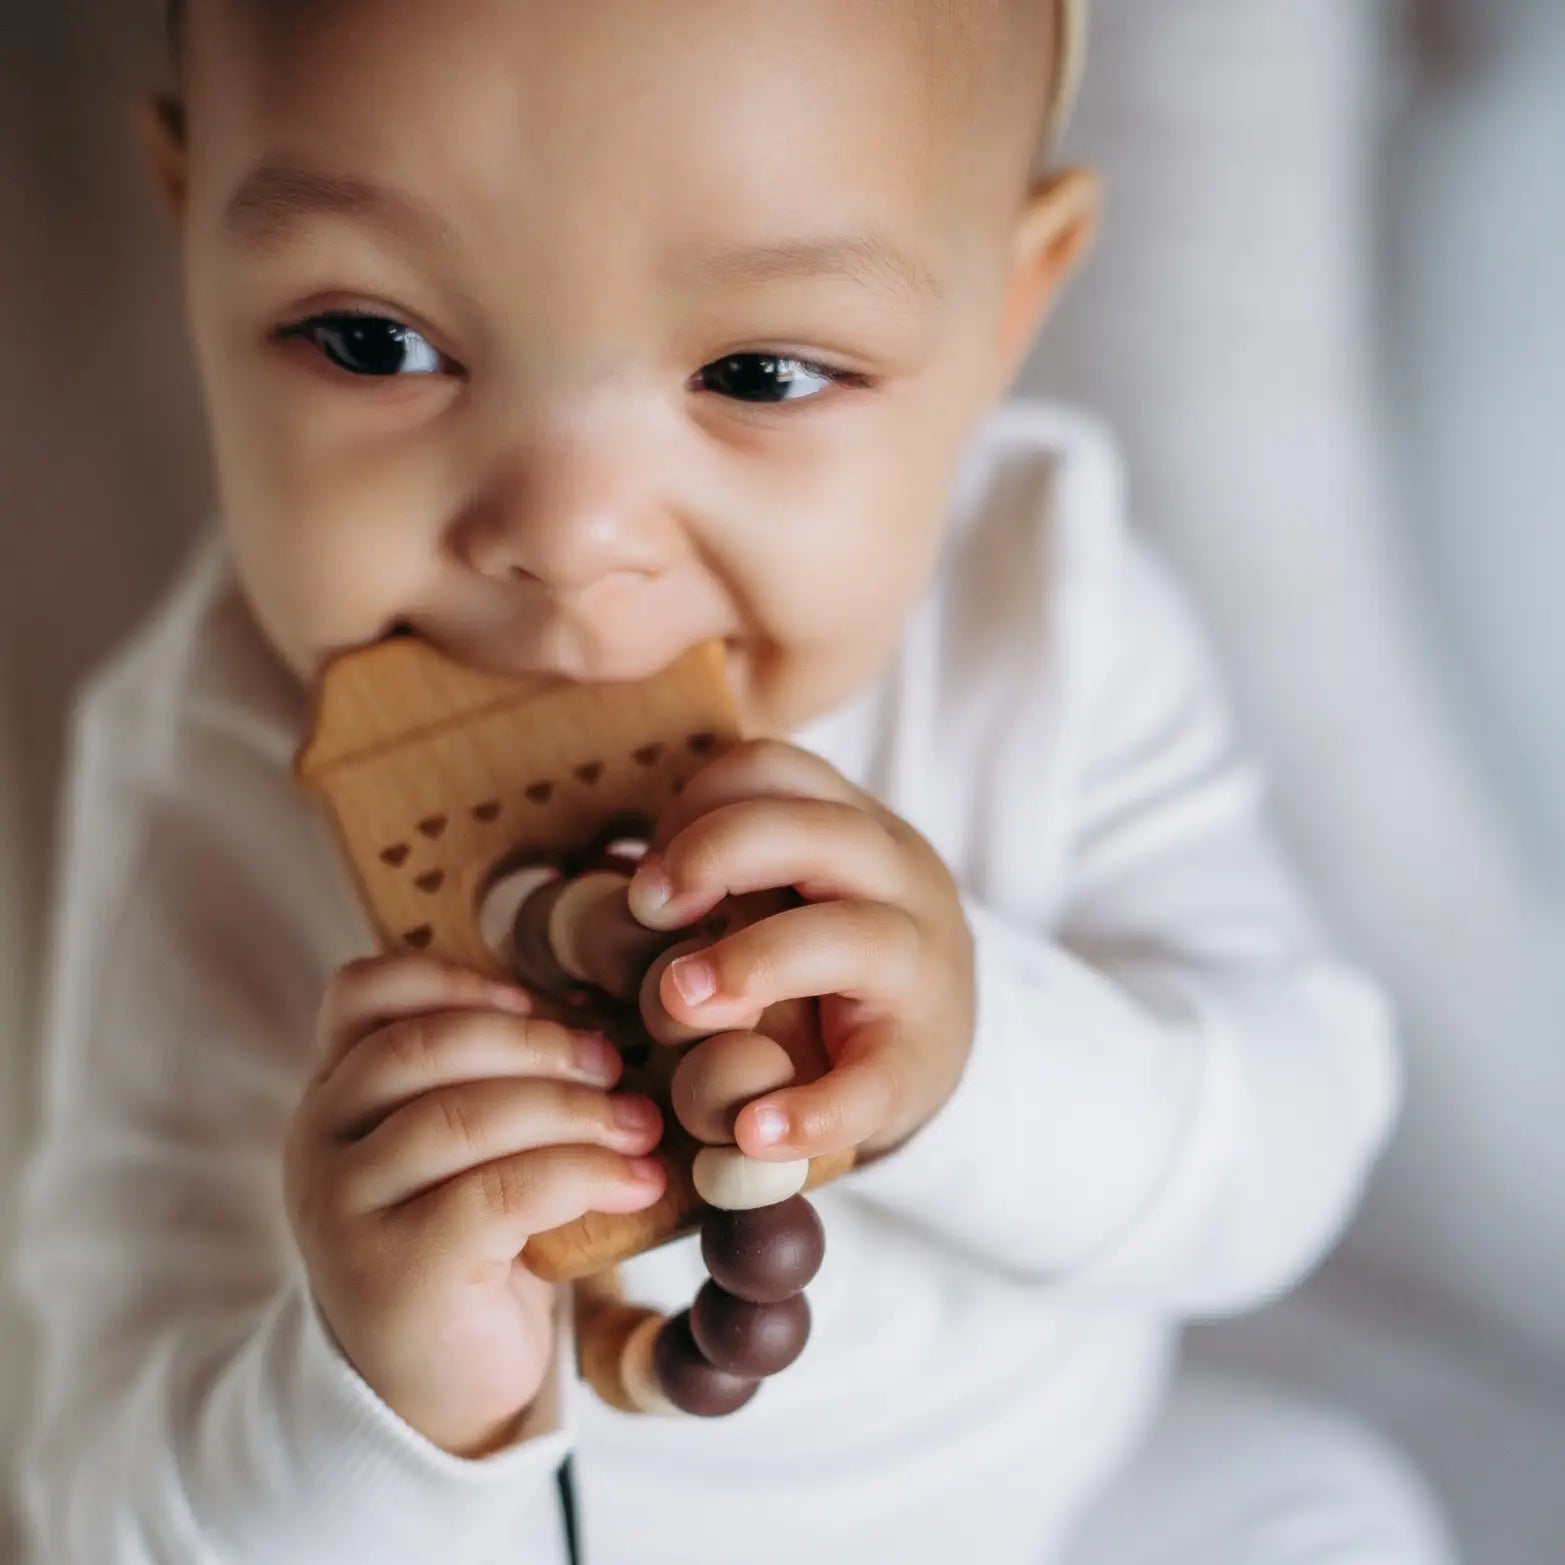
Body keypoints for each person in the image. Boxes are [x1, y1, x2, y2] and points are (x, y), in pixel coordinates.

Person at [11, 2, 1456, 1561]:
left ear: (1002, 318)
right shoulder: (204, 771)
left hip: (1046, 1507)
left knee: (1329, 1505)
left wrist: (974, 1059)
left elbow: (1289, 1144)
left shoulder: (1042, 611)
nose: (567, 534)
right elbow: (100, 1497)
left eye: (759, 371)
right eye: (373, 340)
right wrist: (377, 1397)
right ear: (192, 249)